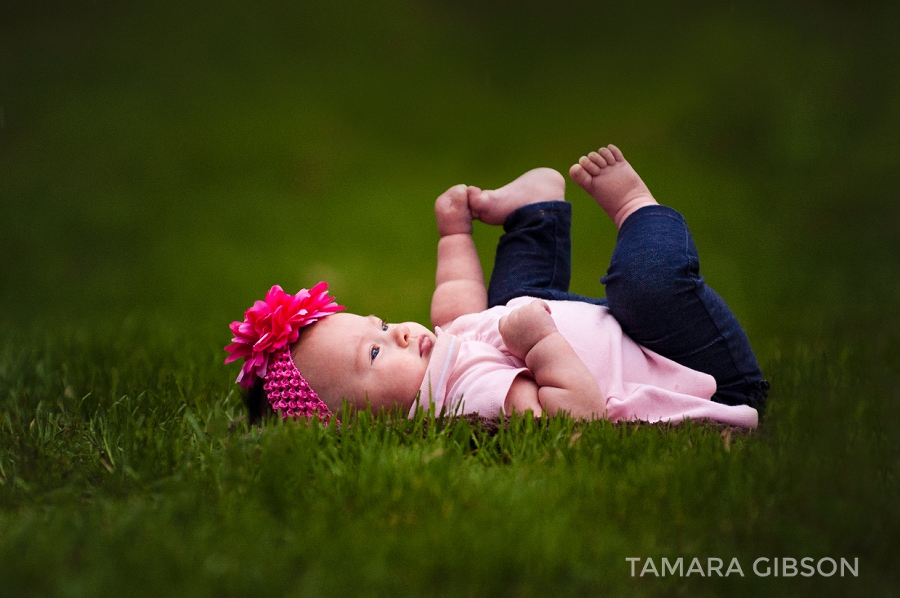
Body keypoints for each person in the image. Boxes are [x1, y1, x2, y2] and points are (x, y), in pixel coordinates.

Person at [225, 144, 769, 428]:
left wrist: (453, 235)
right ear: (351, 425)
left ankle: (536, 211)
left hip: (583, 326)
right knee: (645, 288)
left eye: (383, 326)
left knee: (503, 303)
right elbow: (576, 417)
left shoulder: (438, 364)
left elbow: (458, 302)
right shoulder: (466, 401)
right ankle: (636, 209)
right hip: (692, 367)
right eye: (374, 352)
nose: (401, 334)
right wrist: (539, 343)